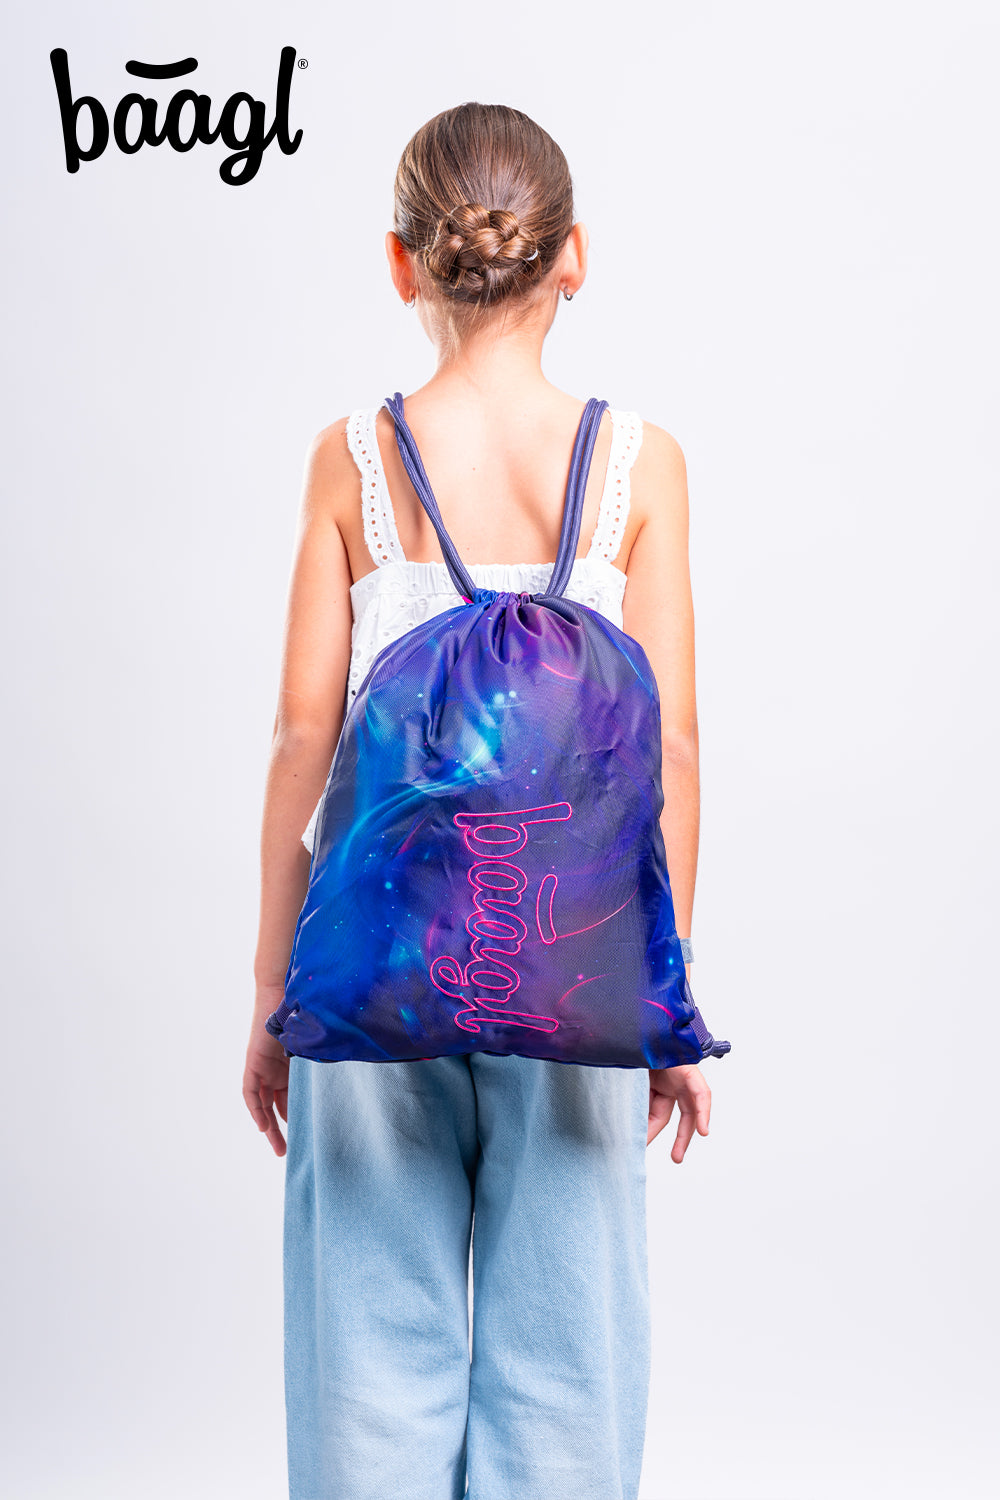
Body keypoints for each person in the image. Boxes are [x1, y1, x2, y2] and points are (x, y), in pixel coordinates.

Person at [243, 100, 715, 1500]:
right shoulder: (640, 462)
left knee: (366, 1336)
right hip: (575, 962)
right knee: (569, 1342)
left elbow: (301, 738)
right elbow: (676, 749)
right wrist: (663, 996)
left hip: (374, 959)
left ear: (402, 262)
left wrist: (273, 992)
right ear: (575, 255)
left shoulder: (352, 457)